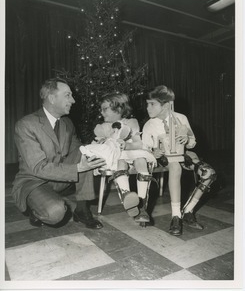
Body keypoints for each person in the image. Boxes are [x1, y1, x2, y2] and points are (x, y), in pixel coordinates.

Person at [12, 78, 106, 229]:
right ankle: (35, 209)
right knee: (55, 212)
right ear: (52, 98)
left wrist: (99, 146)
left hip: (60, 179)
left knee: (86, 152)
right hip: (34, 181)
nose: (73, 100)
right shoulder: (26, 125)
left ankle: (81, 210)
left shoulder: (67, 123)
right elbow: (38, 167)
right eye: (68, 95)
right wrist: (77, 169)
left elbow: (77, 149)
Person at [142, 85, 216, 236]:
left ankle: (187, 211)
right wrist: (153, 151)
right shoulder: (149, 125)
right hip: (164, 158)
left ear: (166, 105)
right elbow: (144, 148)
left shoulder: (181, 119)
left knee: (209, 173)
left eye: (152, 104)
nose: (148, 108)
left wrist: (186, 139)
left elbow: (192, 142)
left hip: (183, 155)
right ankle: (176, 217)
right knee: (175, 167)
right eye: (147, 104)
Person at [94, 93, 156, 223]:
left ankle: (142, 204)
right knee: (120, 162)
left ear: (119, 109)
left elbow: (138, 143)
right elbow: (101, 144)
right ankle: (127, 197)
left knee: (141, 160)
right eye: (101, 109)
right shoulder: (103, 127)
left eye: (105, 109)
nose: (101, 112)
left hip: (130, 151)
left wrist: (127, 145)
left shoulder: (131, 122)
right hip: (116, 156)